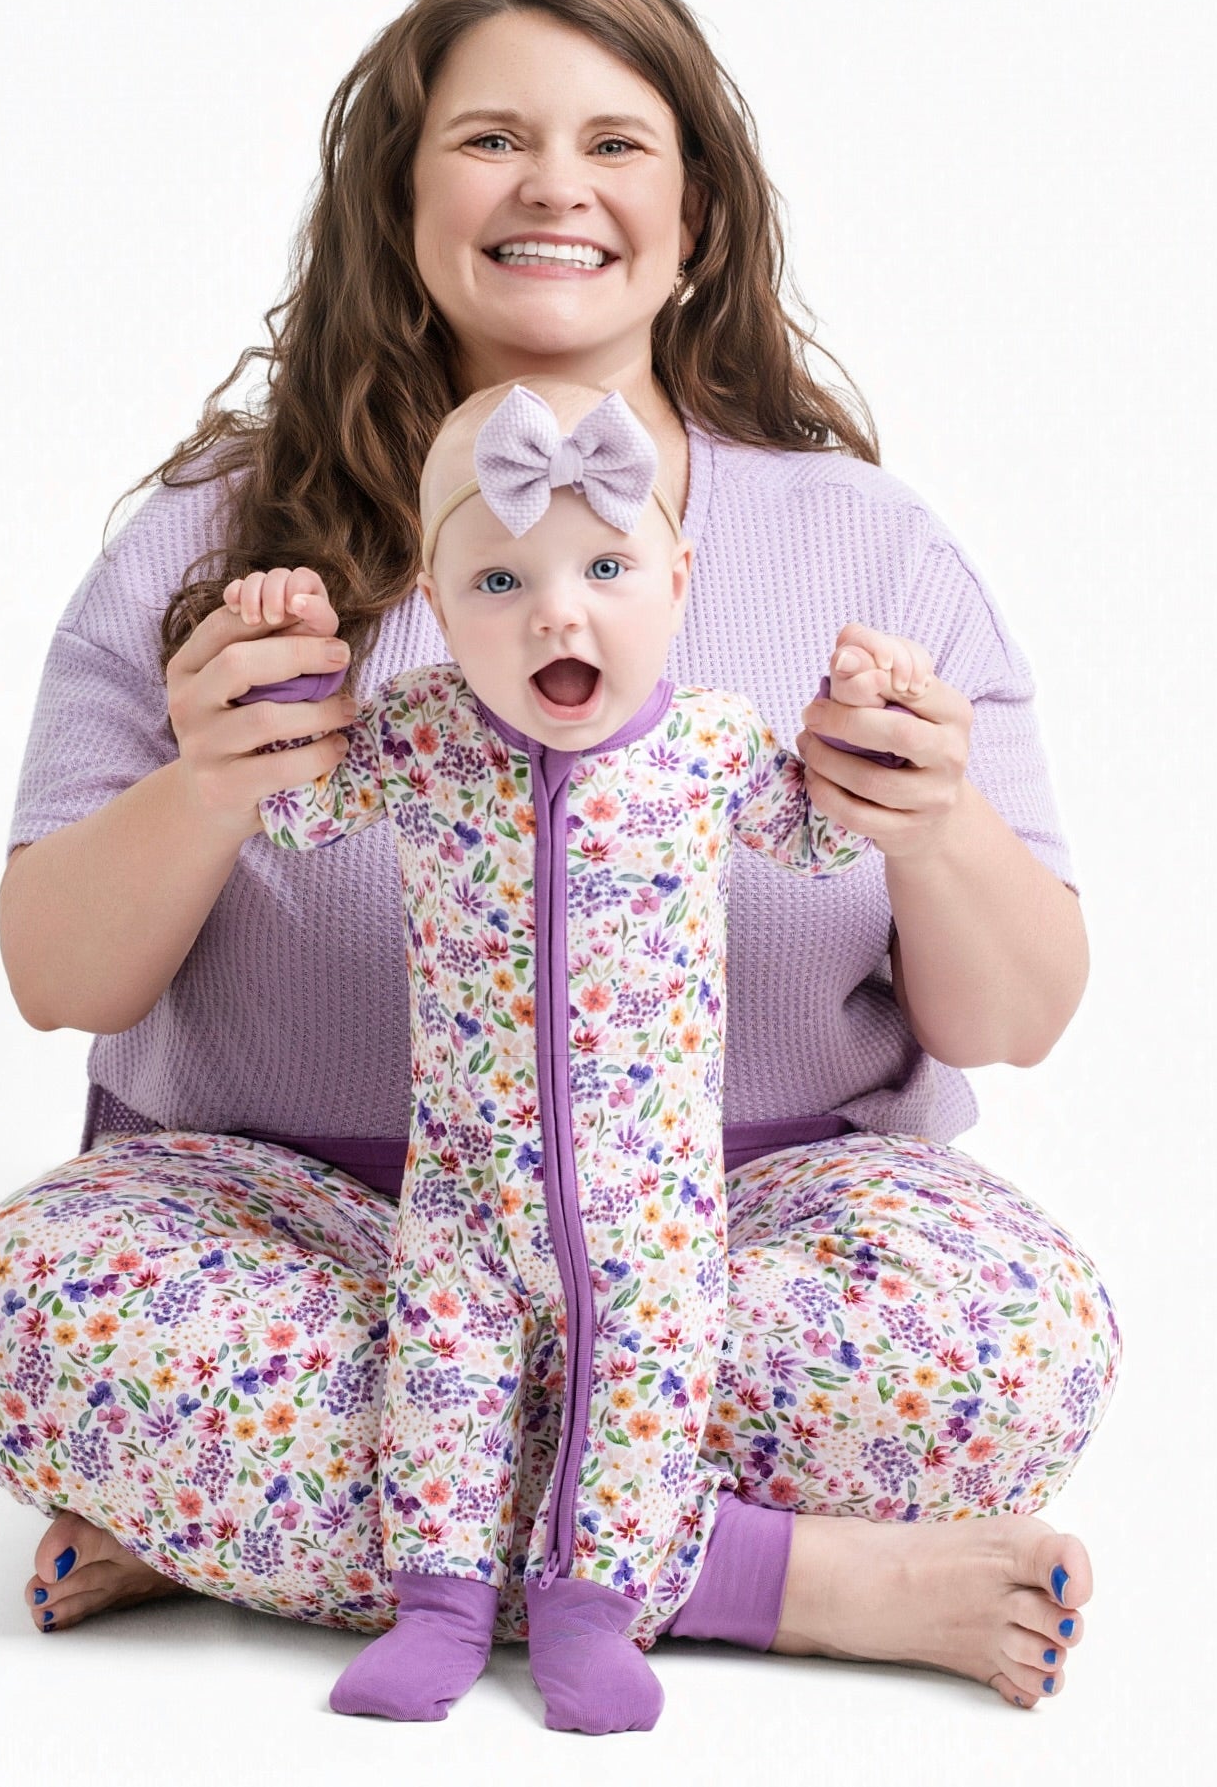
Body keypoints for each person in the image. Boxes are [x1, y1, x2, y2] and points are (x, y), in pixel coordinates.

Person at [0, 0, 1120, 1718]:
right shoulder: (212, 541)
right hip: (305, 1230)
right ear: (396, 205)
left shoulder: (864, 545)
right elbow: (53, 973)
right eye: (489, 139)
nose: (554, 183)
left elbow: (1012, 1022)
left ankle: (267, 1520)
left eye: (614, 142)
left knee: (1017, 1338)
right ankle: (757, 1570)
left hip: (725, 1236)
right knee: (26, 1304)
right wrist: (210, 783)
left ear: (695, 212)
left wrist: (932, 827)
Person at [234, 374, 929, 1729]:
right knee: (439, 1371)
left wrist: (862, 718)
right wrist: (302, 667)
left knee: (645, 1386)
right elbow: (302, 812)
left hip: (653, 1204)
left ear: (676, 578)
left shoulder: (712, 746)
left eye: (605, 565)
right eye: (500, 581)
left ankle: (592, 1603)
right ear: (436, 606)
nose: (558, 609)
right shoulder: (424, 736)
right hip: (462, 1195)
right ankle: (435, 1599)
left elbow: (824, 837)